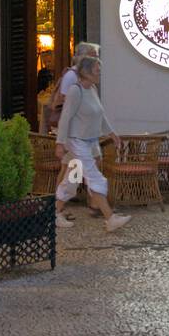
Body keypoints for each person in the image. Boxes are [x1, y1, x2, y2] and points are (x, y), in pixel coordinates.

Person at [53, 55, 130, 233]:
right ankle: (110, 217)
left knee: (72, 179)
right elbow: (65, 118)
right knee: (94, 176)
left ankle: (54, 213)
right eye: (97, 70)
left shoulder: (92, 89)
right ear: (86, 72)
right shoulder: (75, 91)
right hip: (77, 142)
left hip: (89, 141)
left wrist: (112, 133)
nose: (99, 73)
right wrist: (60, 143)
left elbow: (99, 115)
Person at [44, 42, 99, 134]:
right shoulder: (71, 76)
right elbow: (65, 101)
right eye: (93, 57)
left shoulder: (86, 76)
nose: (96, 60)